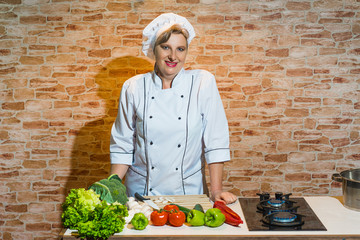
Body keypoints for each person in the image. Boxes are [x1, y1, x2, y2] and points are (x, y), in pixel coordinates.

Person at [110, 13, 237, 204]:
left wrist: (216, 190)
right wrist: (111, 187)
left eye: (180, 49)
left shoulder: (202, 82)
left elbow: (215, 140)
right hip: (141, 193)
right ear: (155, 49)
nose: (173, 56)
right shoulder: (133, 87)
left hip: (188, 192)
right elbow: (123, 144)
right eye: (166, 47)